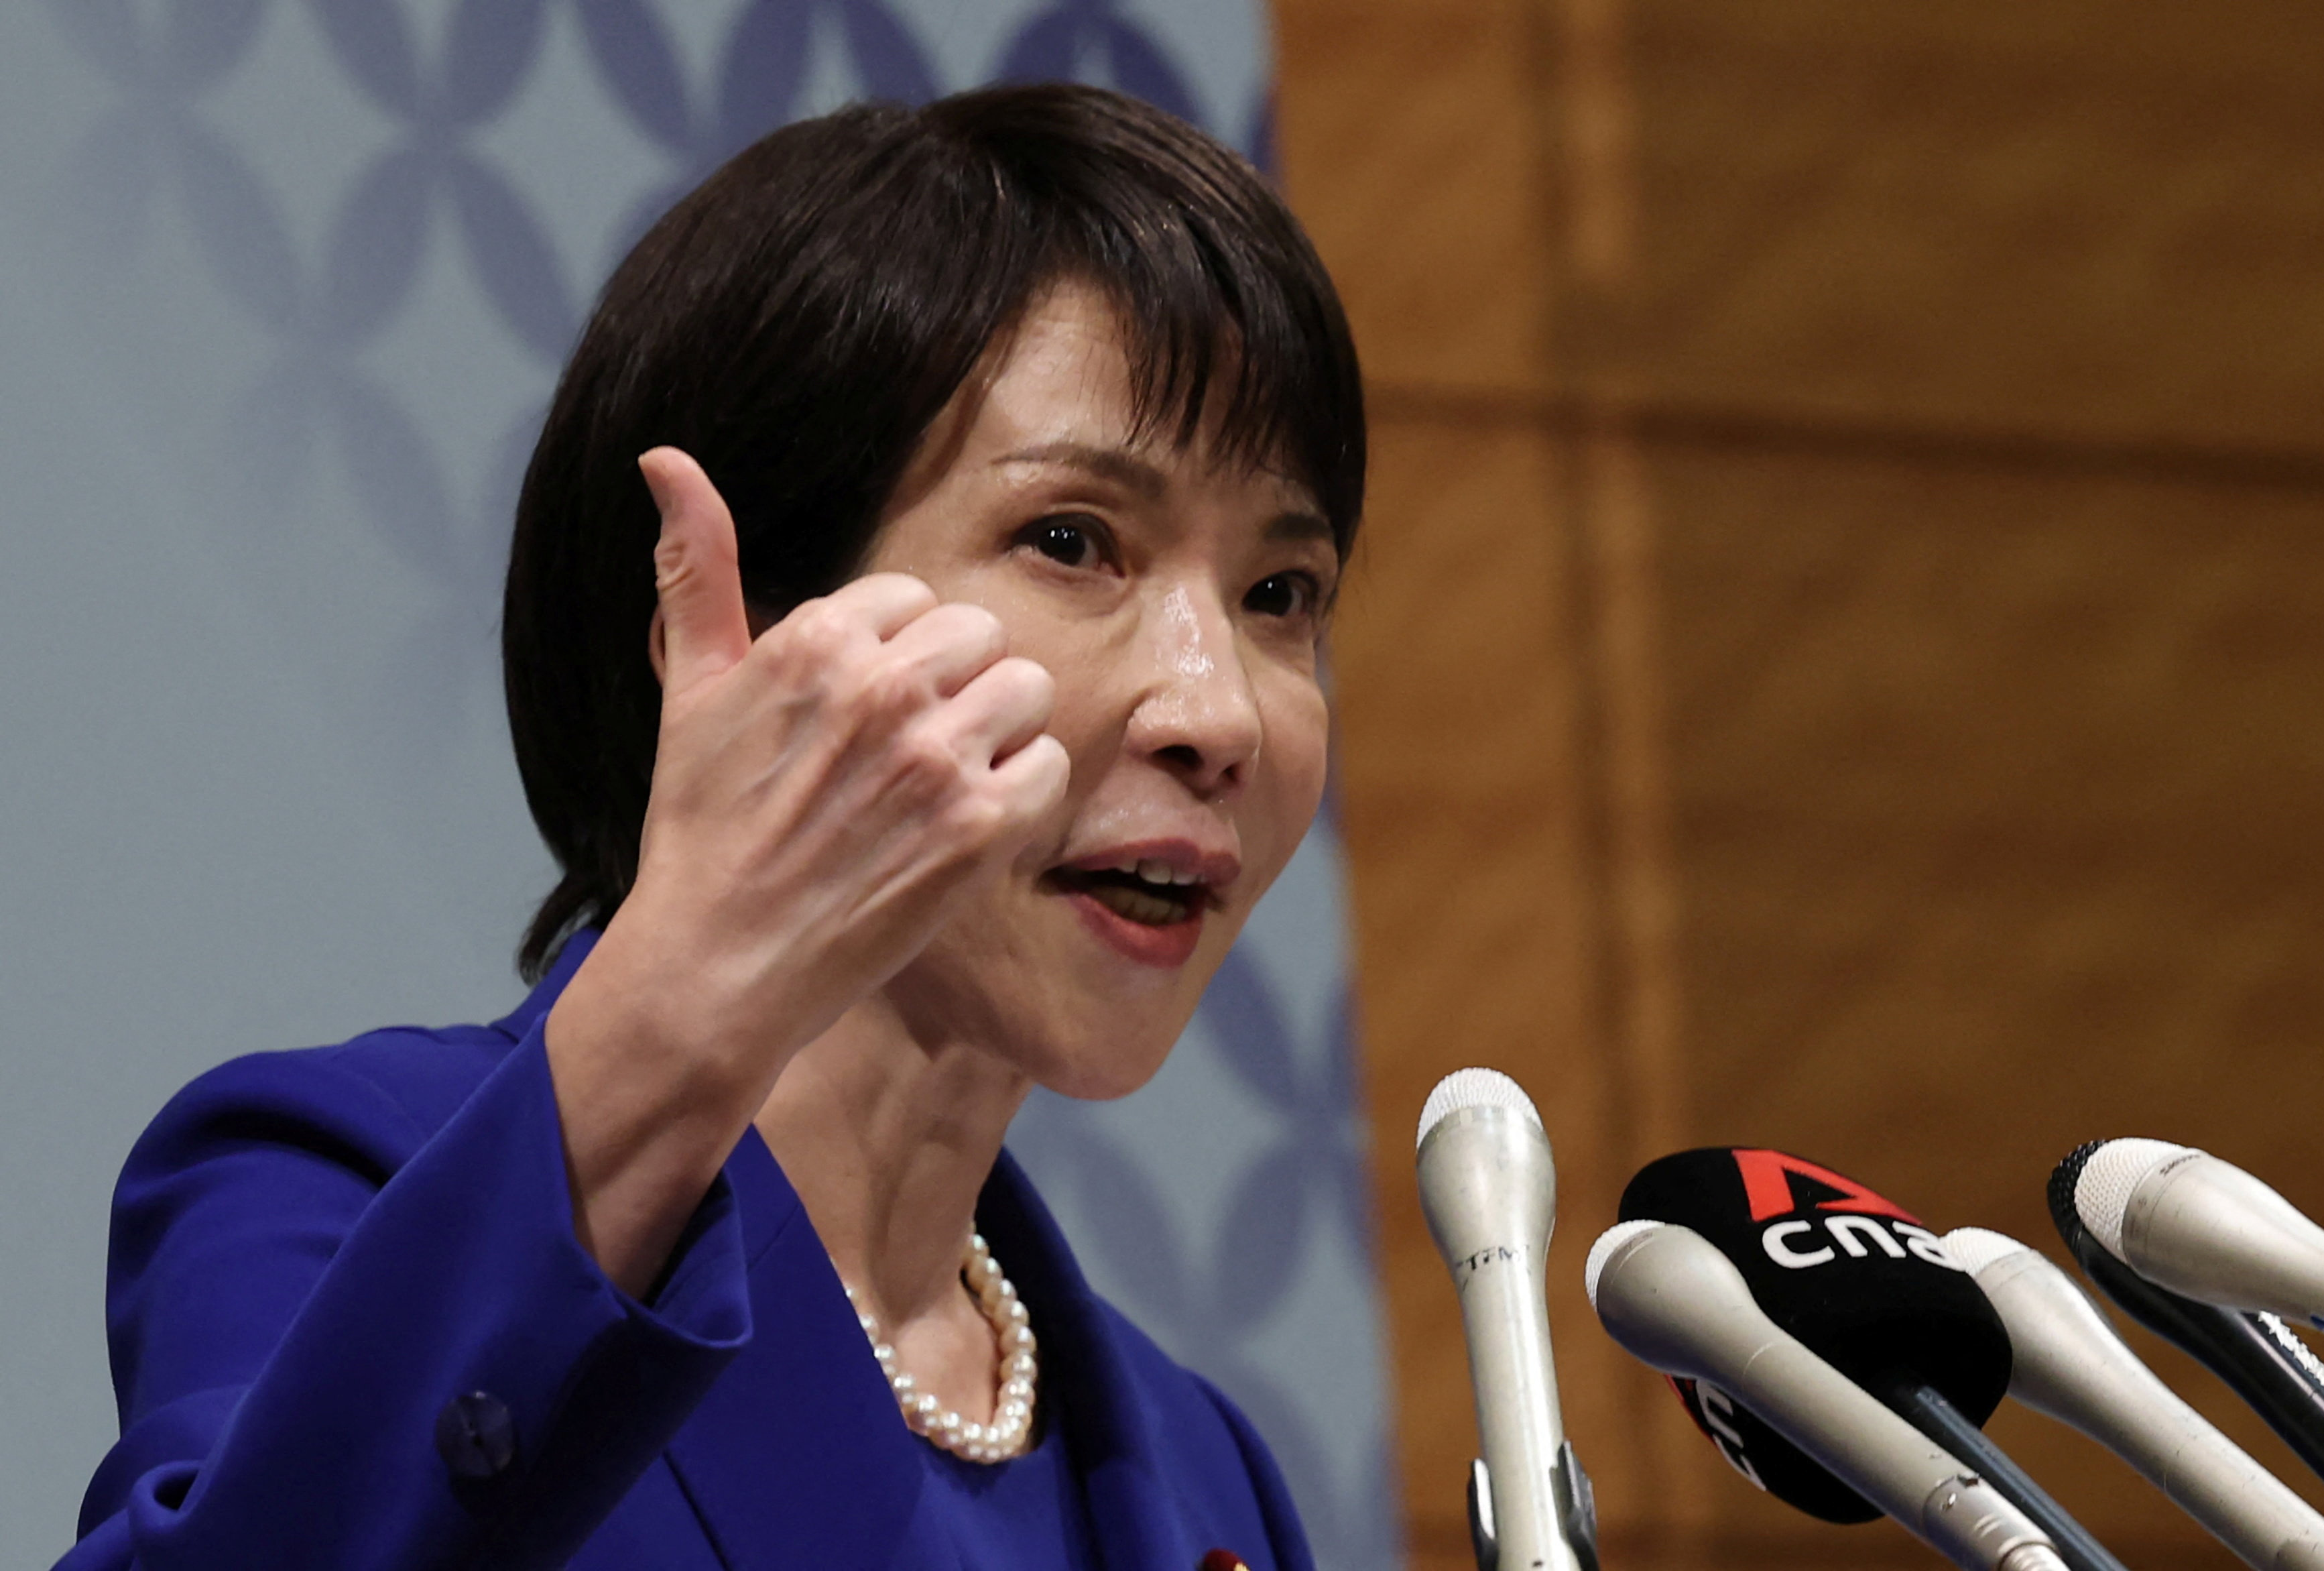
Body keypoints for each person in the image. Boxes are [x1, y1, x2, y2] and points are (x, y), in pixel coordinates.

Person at [63, 82, 1363, 1571]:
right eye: (1070, 541)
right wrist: (689, 997)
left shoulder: (1210, 1475)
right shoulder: (339, 1180)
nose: (1222, 711)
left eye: (1282, 593)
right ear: (733, 631)